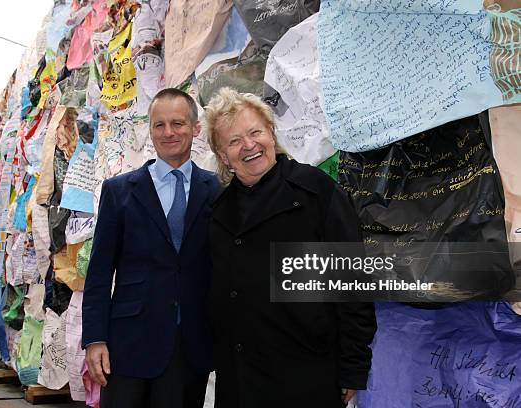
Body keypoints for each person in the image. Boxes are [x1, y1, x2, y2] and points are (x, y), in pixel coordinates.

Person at [204, 87, 377, 408]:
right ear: (222, 155)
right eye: (234, 141)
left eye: (255, 132)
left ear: (271, 132)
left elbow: (352, 284)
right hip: (240, 378)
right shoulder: (219, 210)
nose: (249, 146)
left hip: (306, 373)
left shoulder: (315, 191)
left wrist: (352, 366)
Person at [82, 88, 220, 408]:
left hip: (190, 346)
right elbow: (100, 273)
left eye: (178, 123)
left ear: (196, 128)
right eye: (159, 125)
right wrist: (94, 339)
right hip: (127, 345)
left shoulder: (215, 189)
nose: (168, 132)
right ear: (150, 130)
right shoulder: (119, 191)